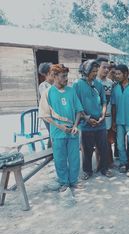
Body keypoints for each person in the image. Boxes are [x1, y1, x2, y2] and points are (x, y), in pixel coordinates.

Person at [38, 64, 83, 192]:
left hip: (72, 131)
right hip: (58, 132)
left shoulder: (71, 91)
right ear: (55, 76)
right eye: (63, 76)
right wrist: (60, 127)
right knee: (60, 158)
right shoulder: (48, 93)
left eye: (66, 76)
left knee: (74, 158)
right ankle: (64, 182)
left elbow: (79, 110)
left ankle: (73, 181)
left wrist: (75, 126)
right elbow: (44, 115)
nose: (66, 79)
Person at [74, 59, 112, 180]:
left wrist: (102, 115)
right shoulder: (77, 85)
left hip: (100, 122)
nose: (95, 73)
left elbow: (104, 102)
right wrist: (86, 118)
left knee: (103, 147)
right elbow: (76, 104)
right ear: (85, 71)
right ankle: (87, 171)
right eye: (93, 71)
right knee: (87, 149)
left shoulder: (99, 84)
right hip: (86, 123)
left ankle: (104, 168)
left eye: (96, 71)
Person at [96, 57, 115, 169]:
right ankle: (99, 164)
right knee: (97, 142)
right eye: (104, 67)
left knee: (107, 141)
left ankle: (108, 162)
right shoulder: (93, 82)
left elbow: (112, 102)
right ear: (98, 68)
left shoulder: (110, 83)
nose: (106, 70)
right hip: (96, 117)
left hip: (108, 116)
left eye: (108, 68)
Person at [38, 62, 55, 148]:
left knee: (54, 133)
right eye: (52, 71)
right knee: (53, 132)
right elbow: (48, 100)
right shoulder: (43, 86)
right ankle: (50, 154)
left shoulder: (56, 84)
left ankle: (51, 153)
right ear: (47, 74)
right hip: (47, 115)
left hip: (55, 114)